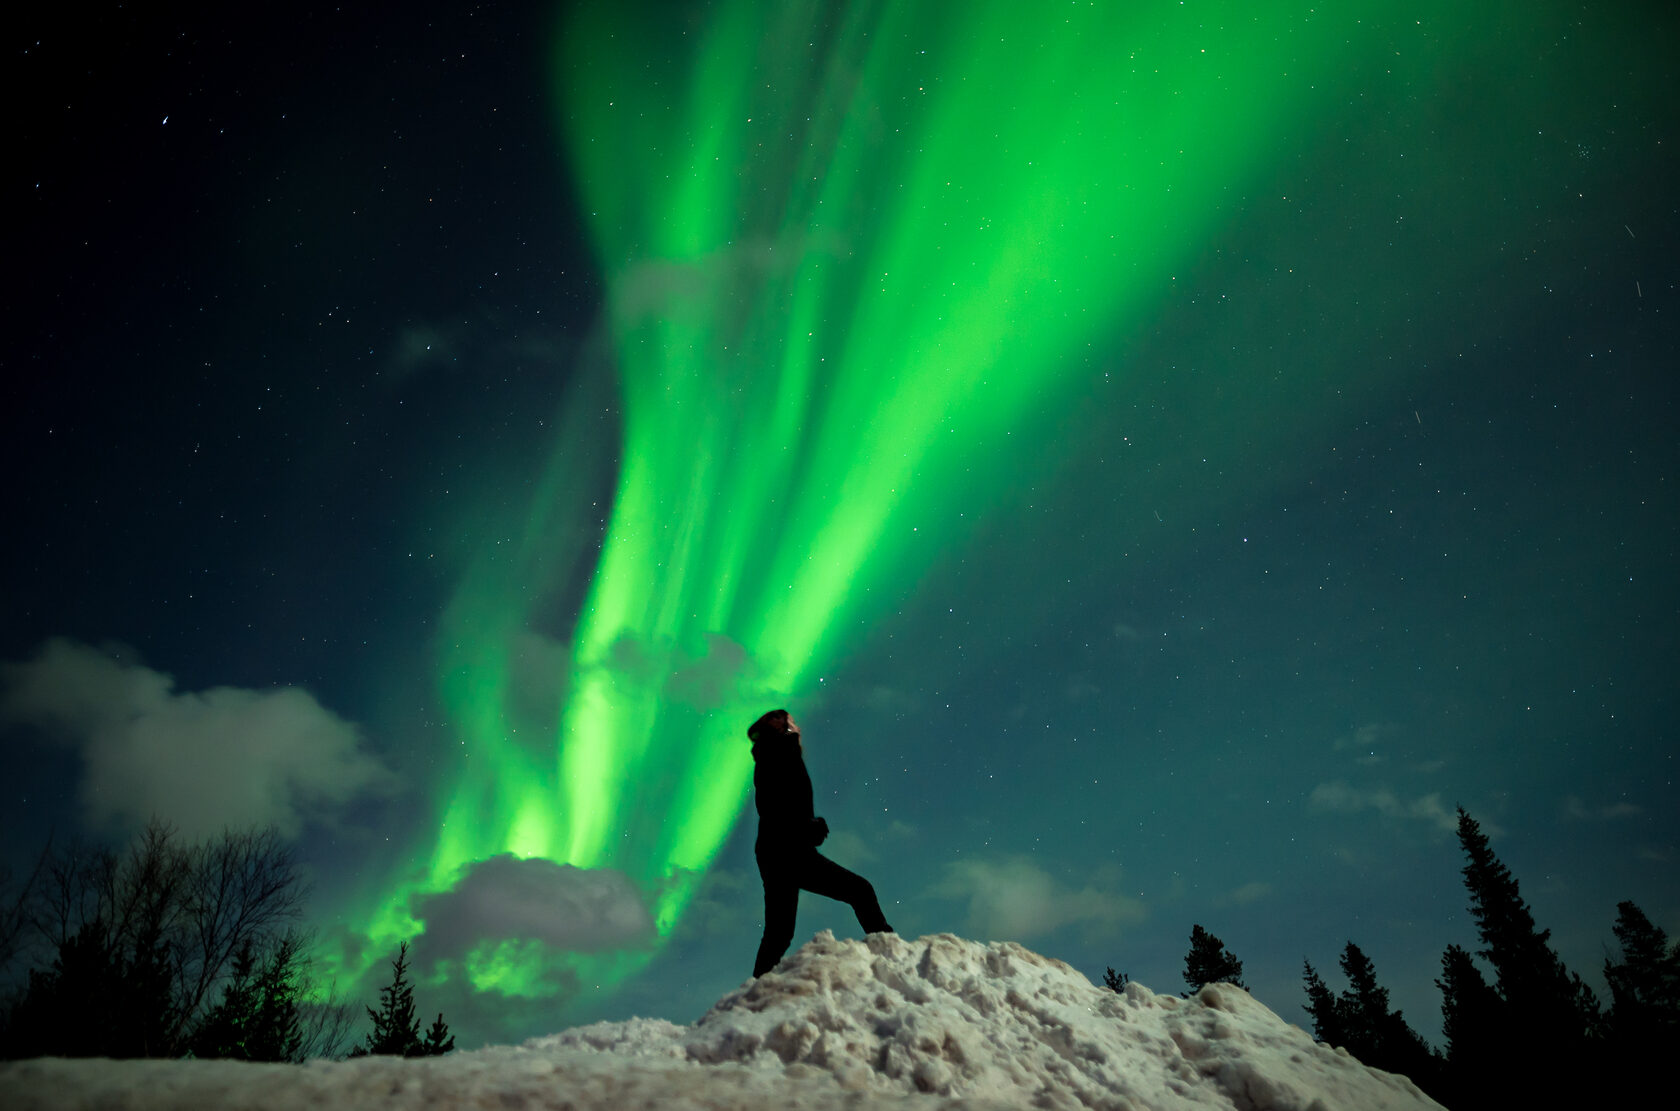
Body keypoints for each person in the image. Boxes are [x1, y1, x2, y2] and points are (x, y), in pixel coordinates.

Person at [748, 708, 893, 977]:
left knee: (779, 933)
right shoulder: (776, 752)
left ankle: (754, 994)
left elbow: (785, 802)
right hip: (785, 849)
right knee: (860, 891)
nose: (794, 723)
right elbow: (771, 804)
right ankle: (892, 956)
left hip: (780, 848)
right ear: (781, 727)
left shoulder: (779, 752)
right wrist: (805, 826)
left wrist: (809, 825)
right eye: (787, 721)